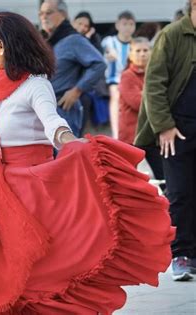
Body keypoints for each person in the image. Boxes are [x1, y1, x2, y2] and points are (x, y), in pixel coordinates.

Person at [0, 12, 174, 314]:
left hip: (29, 191)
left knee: (34, 274)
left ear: (2, 46)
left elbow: (53, 123)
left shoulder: (35, 85)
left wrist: (71, 142)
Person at [135, 0, 196, 281]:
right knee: (181, 192)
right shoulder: (172, 35)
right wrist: (164, 126)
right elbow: (154, 83)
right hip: (176, 130)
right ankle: (181, 254)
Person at [40, 0, 106, 136]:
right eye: (41, 13)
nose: (44, 17)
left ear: (63, 14)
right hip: (44, 109)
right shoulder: (45, 40)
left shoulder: (73, 39)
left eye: (49, 13)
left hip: (64, 110)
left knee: (66, 156)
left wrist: (77, 90)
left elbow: (99, 64)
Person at [118, 37, 164, 189]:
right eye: (138, 51)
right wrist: (157, 96)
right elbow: (137, 102)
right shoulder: (127, 76)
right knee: (128, 182)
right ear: (130, 54)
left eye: (146, 50)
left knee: (164, 177)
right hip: (132, 136)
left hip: (153, 136)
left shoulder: (156, 74)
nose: (142, 54)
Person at [102, 11, 136, 138]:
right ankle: (116, 133)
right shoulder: (109, 41)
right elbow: (106, 52)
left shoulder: (135, 43)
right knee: (115, 95)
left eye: (131, 24)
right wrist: (109, 55)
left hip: (132, 81)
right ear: (117, 25)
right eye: (124, 24)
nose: (127, 27)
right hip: (114, 80)